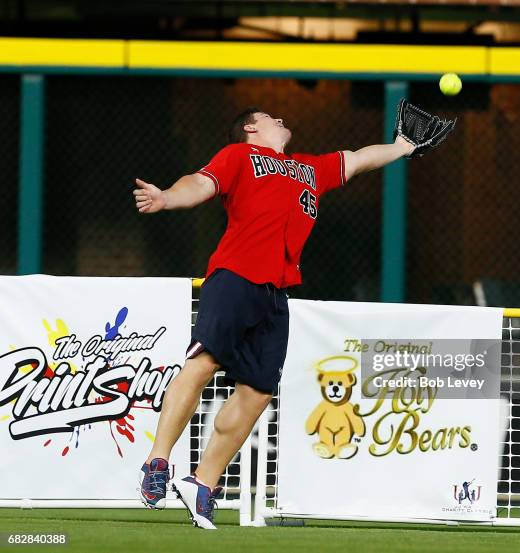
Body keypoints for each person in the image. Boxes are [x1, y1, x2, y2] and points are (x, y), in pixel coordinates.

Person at [133, 105, 454, 530]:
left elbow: (358, 159)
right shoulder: (238, 155)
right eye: (269, 116)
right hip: (234, 276)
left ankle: (202, 483)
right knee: (205, 360)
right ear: (251, 128)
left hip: (276, 292)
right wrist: (167, 197)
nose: (281, 119)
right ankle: (158, 460)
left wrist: (401, 147)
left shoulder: (308, 168)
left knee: (258, 392)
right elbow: (200, 183)